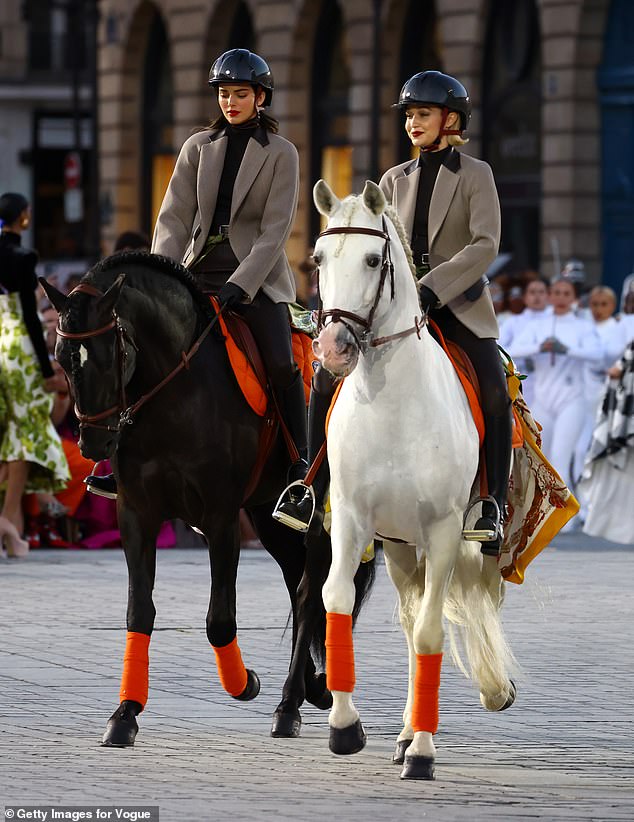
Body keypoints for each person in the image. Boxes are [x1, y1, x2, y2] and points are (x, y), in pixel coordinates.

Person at [276, 71, 512, 557]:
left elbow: (485, 244)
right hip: (393, 311)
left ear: (450, 120)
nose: (412, 124)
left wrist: (433, 288)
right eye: (408, 116)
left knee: (493, 387)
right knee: (324, 377)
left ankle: (491, 504)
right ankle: (310, 486)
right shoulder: (389, 181)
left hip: (459, 307)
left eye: (422, 114)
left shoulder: (476, 175)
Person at [85, 48, 307, 500]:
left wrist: (239, 285)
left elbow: (274, 231)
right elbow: (173, 220)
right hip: (196, 273)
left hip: (256, 280)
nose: (230, 102)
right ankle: (120, 459)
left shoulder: (282, 153)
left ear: (260, 97)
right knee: (141, 350)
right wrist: (159, 278)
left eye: (240, 94)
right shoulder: (196, 147)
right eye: (224, 94)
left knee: (283, 364)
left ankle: (299, 464)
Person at [0, 192, 69, 550]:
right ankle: (10, 523)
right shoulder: (23, 257)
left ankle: (13, 530)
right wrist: (45, 367)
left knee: (13, 440)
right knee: (25, 437)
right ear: (23, 217)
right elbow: (28, 314)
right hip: (17, 348)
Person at [508, 277, 603, 496]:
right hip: (542, 398)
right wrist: (538, 347)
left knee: (562, 455)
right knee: (544, 457)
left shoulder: (582, 326)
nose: (560, 298)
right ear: (550, 296)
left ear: (575, 299)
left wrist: (567, 350)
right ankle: (545, 512)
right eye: (557, 293)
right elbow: (512, 349)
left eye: (566, 294)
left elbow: (597, 354)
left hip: (571, 400)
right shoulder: (536, 326)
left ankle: (567, 511)